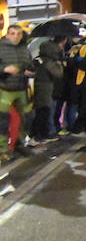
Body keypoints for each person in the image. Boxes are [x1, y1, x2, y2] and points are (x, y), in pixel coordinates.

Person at [0, 24, 35, 159]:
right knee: (3, 121)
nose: (15, 36)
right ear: (7, 34)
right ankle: (2, 149)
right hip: (4, 88)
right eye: (13, 33)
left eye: (18, 34)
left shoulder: (24, 49)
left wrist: (31, 70)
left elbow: (29, 65)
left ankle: (20, 144)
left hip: (21, 88)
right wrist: (4, 69)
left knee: (25, 118)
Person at [30, 37, 67, 142]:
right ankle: (41, 135)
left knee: (40, 112)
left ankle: (37, 134)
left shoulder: (39, 58)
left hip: (38, 87)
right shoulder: (50, 61)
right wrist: (60, 65)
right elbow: (58, 74)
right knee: (44, 112)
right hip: (46, 88)